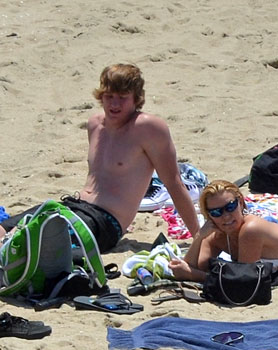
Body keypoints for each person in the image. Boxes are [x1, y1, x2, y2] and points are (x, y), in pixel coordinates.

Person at [1, 63, 200, 251]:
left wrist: (198, 238)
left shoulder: (147, 128)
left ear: (136, 98)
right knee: (4, 229)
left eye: (122, 97)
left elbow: (174, 184)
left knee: (29, 242)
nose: (114, 104)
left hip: (105, 222)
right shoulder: (95, 124)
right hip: (72, 206)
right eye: (108, 96)